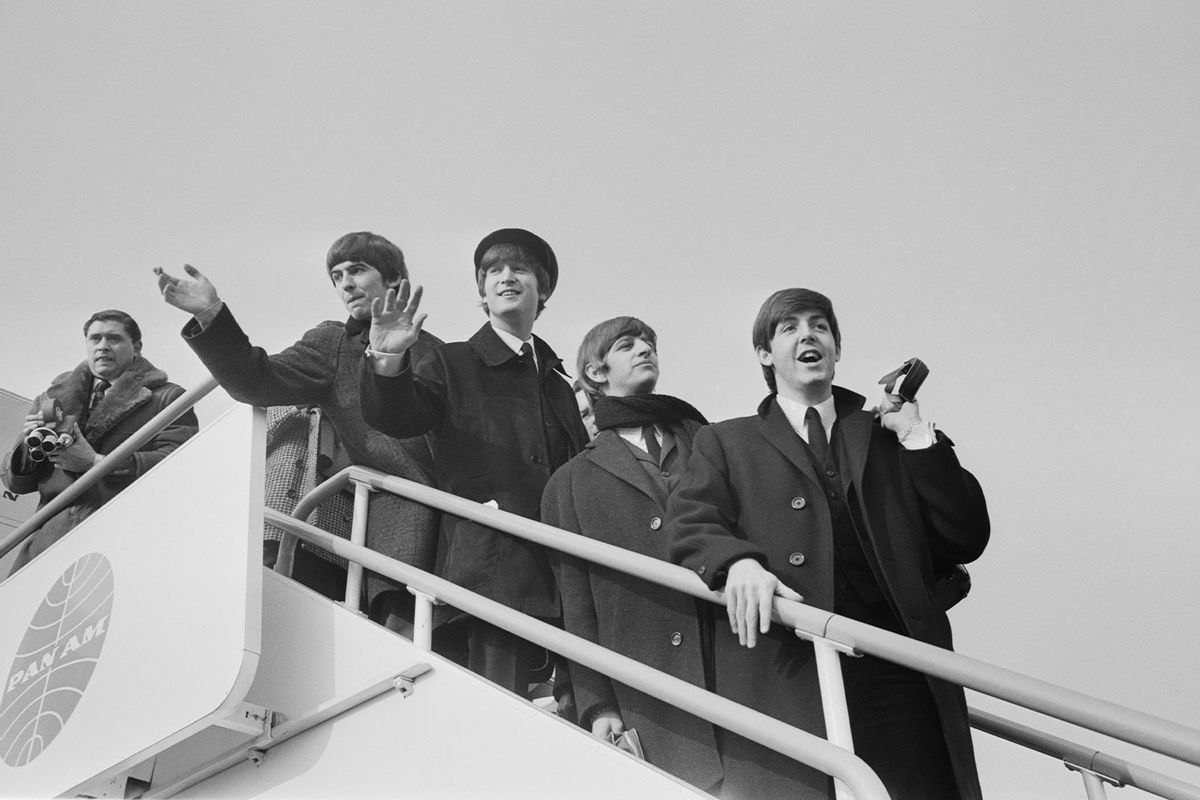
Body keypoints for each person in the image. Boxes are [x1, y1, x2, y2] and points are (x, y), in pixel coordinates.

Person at [668, 289, 990, 800]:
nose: (808, 335)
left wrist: (916, 437)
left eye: (819, 326)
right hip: (788, 666)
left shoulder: (887, 432)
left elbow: (965, 535)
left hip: (897, 664)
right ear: (764, 355)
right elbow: (690, 521)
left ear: (837, 349)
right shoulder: (726, 441)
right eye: (789, 327)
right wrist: (738, 562)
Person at [154, 232, 442, 625]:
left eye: (357, 270)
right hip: (400, 521)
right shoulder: (334, 343)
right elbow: (255, 381)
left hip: (465, 520)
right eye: (337, 276)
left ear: (393, 280)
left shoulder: (443, 352)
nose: (346, 284)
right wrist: (211, 315)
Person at [360, 227, 589, 701]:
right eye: (493, 272)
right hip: (488, 570)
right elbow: (398, 416)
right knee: (493, 703)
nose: (506, 277)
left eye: (520, 268)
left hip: (558, 575)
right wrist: (387, 357)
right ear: (482, 294)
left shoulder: (558, 385)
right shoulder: (453, 361)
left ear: (542, 290)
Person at [541, 316, 721, 794]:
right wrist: (597, 704)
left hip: (732, 660)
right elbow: (575, 607)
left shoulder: (710, 443)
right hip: (644, 683)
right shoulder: (569, 482)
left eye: (650, 343)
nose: (645, 349)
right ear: (595, 373)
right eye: (627, 345)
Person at [2, 310, 198, 574]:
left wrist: (96, 463)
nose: (102, 346)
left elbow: (181, 466)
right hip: (49, 540)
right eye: (95, 339)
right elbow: (15, 483)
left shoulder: (166, 398)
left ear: (136, 348)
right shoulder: (50, 399)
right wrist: (29, 447)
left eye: (114, 338)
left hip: (120, 537)